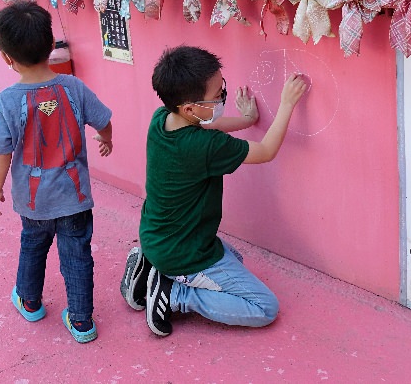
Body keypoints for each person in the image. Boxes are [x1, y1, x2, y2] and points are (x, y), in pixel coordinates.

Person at [120, 45, 308, 336]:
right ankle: (174, 295)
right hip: (185, 253)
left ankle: (152, 270)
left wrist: (247, 121)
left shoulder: (162, 119)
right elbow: (267, 151)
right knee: (264, 308)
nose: (223, 97)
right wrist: (286, 104)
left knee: (236, 258)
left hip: (159, 237)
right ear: (190, 108)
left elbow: (211, 124)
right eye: (217, 95)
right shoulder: (202, 147)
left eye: (223, 88)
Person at [0, 0, 113, 344]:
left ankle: (30, 301)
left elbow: (1, 150)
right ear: (50, 44)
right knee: (77, 255)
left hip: (34, 202)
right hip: (75, 198)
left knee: (32, 247)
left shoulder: (6, 101)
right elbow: (104, 120)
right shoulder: (74, 87)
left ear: (6, 58)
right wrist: (106, 138)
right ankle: (82, 322)